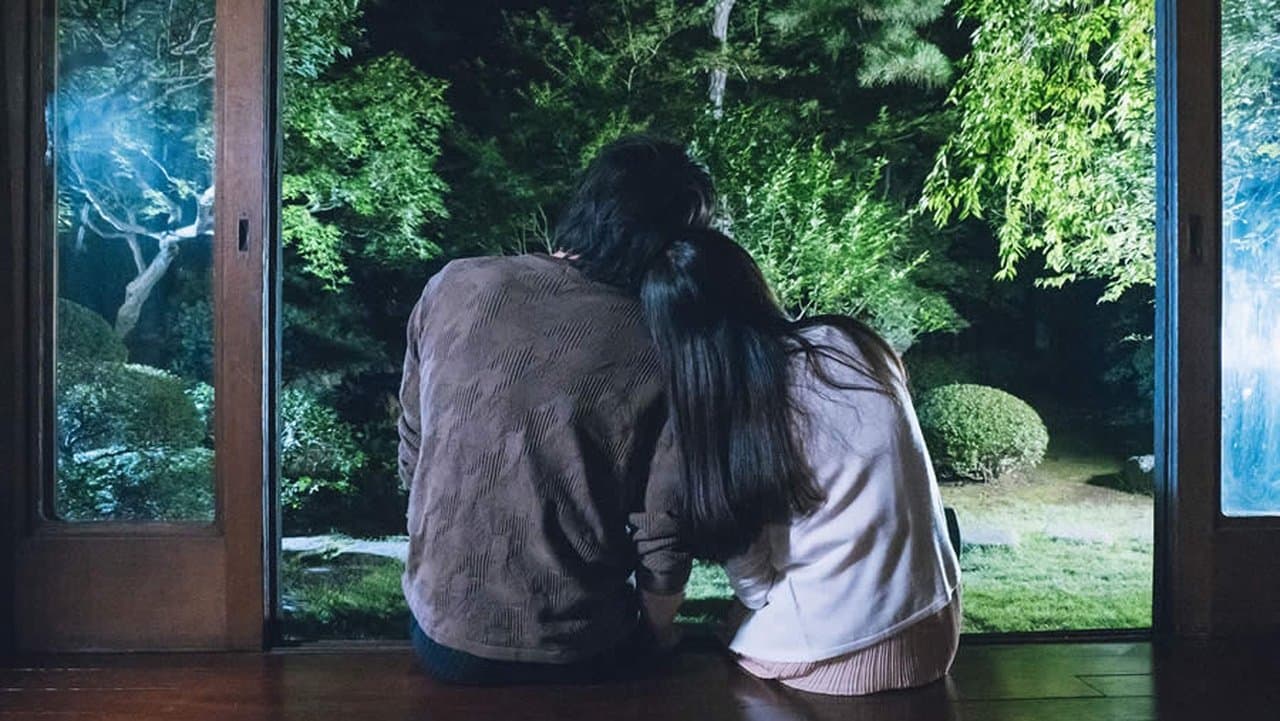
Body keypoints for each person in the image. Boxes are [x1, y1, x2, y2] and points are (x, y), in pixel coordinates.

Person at [397, 135, 714, 684]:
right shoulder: (658, 341)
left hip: (437, 638)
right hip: (576, 649)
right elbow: (664, 530)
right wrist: (660, 633)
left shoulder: (453, 284)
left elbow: (413, 448)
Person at [640, 228, 962, 696]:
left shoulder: (729, 413)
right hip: (934, 624)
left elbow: (755, 588)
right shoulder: (850, 341)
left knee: (714, 655)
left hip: (840, 651)